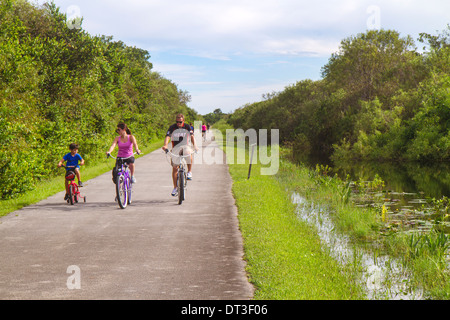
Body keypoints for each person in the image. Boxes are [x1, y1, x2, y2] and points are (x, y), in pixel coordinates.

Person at [162, 114, 198, 196]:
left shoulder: (187, 127)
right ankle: (175, 187)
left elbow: (192, 137)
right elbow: (167, 137)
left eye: (180, 122)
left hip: (185, 146)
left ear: (183, 121)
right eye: (177, 122)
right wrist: (165, 145)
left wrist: (195, 146)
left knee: (188, 153)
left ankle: (189, 172)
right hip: (175, 148)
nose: (178, 123)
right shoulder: (172, 127)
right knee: (175, 168)